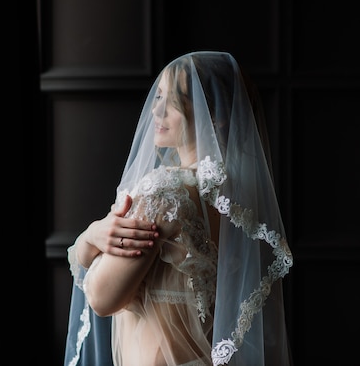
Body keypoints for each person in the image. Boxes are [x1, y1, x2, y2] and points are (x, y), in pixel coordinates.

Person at [64, 51, 293, 366]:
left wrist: (88, 239)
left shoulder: (163, 194)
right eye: (157, 96)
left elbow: (102, 298)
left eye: (172, 101)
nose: (156, 111)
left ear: (216, 116)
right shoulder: (239, 192)